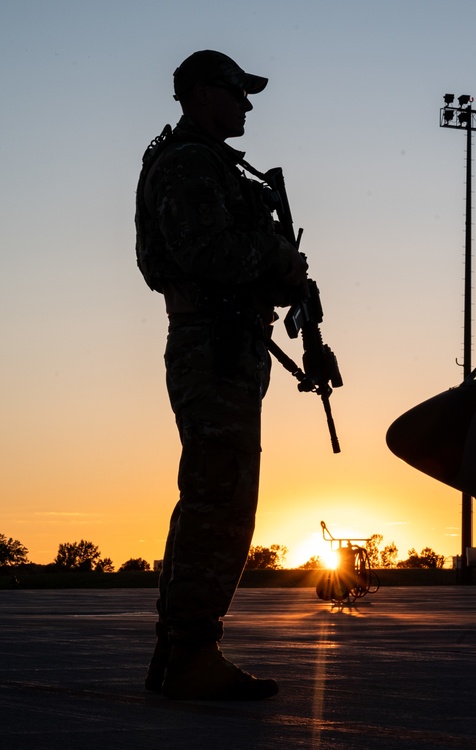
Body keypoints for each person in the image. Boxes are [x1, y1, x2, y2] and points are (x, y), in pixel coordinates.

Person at [134, 50, 307, 700]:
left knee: (210, 492)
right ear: (201, 93)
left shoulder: (211, 166)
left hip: (225, 340)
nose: (247, 105)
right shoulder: (188, 166)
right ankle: (191, 653)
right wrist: (276, 256)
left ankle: (179, 652)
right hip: (214, 345)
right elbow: (204, 251)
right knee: (222, 497)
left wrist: (284, 278)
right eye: (237, 92)